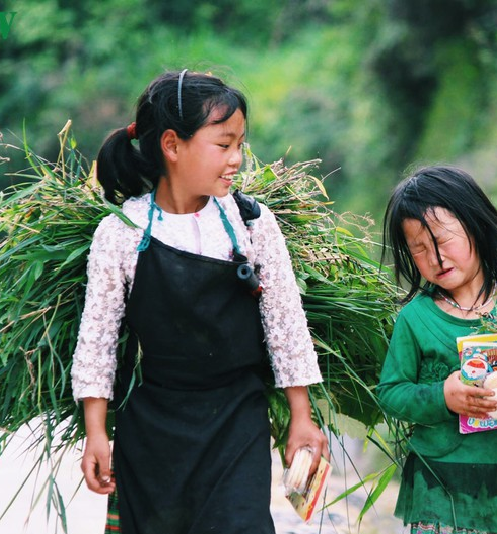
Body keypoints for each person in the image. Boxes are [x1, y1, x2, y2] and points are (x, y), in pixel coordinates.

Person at [70, 69, 329, 534]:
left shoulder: (251, 224)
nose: (237, 160)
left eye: (240, 145)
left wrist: (302, 418)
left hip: (237, 418)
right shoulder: (122, 233)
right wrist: (96, 433)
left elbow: (286, 324)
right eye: (224, 144)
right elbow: (97, 341)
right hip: (153, 429)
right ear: (172, 145)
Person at [377, 166, 497, 534]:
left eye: (444, 240)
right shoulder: (416, 319)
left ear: (476, 226)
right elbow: (391, 393)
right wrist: (442, 397)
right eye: (420, 249)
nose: (436, 257)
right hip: (444, 496)